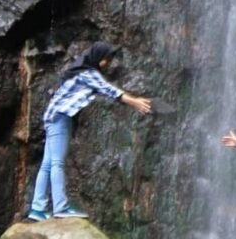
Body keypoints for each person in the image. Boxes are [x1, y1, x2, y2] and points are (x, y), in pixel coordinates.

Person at [27, 41, 152, 221]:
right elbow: (110, 90)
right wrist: (136, 102)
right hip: (60, 118)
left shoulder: (79, 71)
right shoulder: (88, 73)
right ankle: (60, 207)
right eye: (106, 59)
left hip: (53, 117)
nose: (108, 63)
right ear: (98, 58)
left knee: (47, 164)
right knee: (57, 163)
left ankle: (37, 209)